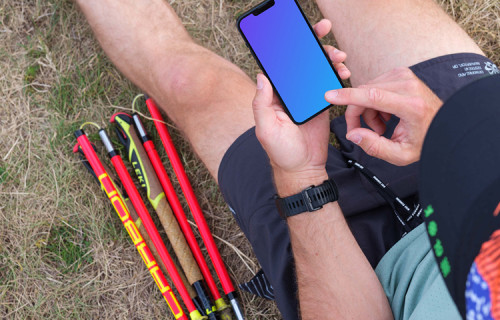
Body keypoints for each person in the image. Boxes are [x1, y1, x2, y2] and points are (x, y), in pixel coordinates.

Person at [75, 0, 499, 318]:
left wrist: (301, 175)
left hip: (360, 272)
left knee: (186, 81)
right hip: (479, 159)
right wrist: (454, 127)